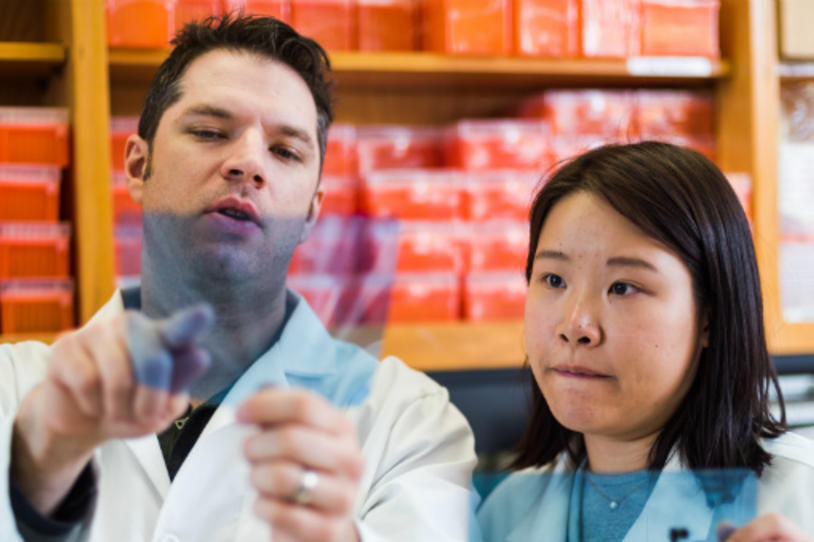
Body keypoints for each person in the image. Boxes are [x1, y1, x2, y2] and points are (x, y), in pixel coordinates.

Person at [0, 14, 477, 542]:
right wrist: (36, 477)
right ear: (138, 168)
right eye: (209, 132)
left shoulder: (408, 422)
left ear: (312, 213)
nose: (248, 163)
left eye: (285, 151)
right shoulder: (12, 390)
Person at [477, 142, 814, 542]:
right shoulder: (504, 513)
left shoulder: (797, 496)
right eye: (554, 280)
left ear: (711, 315)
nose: (575, 325)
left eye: (623, 287)